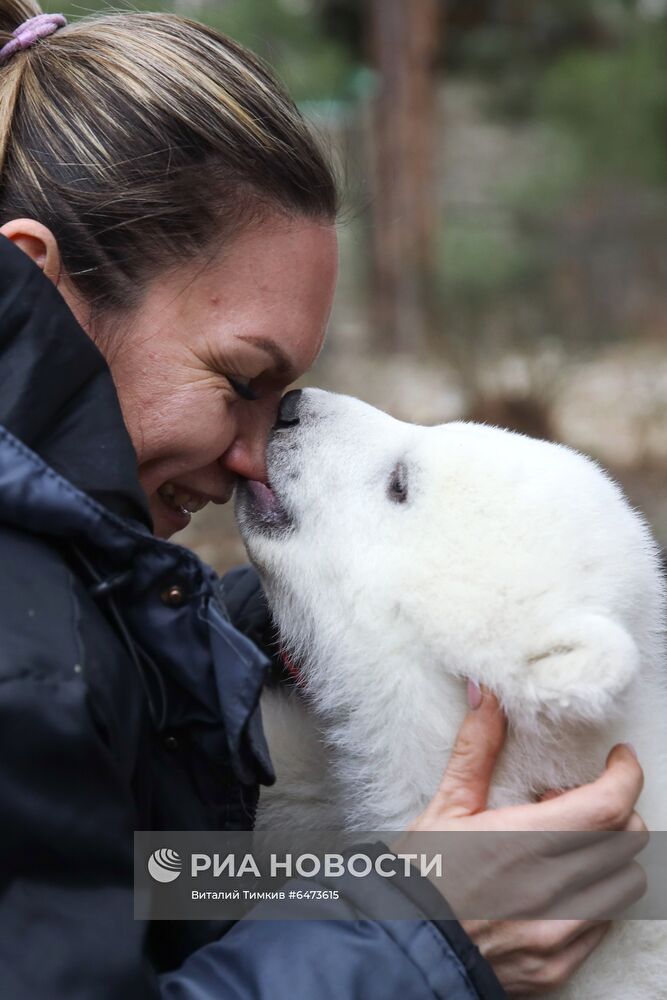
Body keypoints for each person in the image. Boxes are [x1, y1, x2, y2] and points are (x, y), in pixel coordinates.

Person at [0, 3, 648, 998]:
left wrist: (305, 627)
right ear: (42, 284)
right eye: (240, 379)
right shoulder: (26, 650)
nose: (258, 456)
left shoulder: (74, 601)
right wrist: (423, 941)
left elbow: (142, 891)